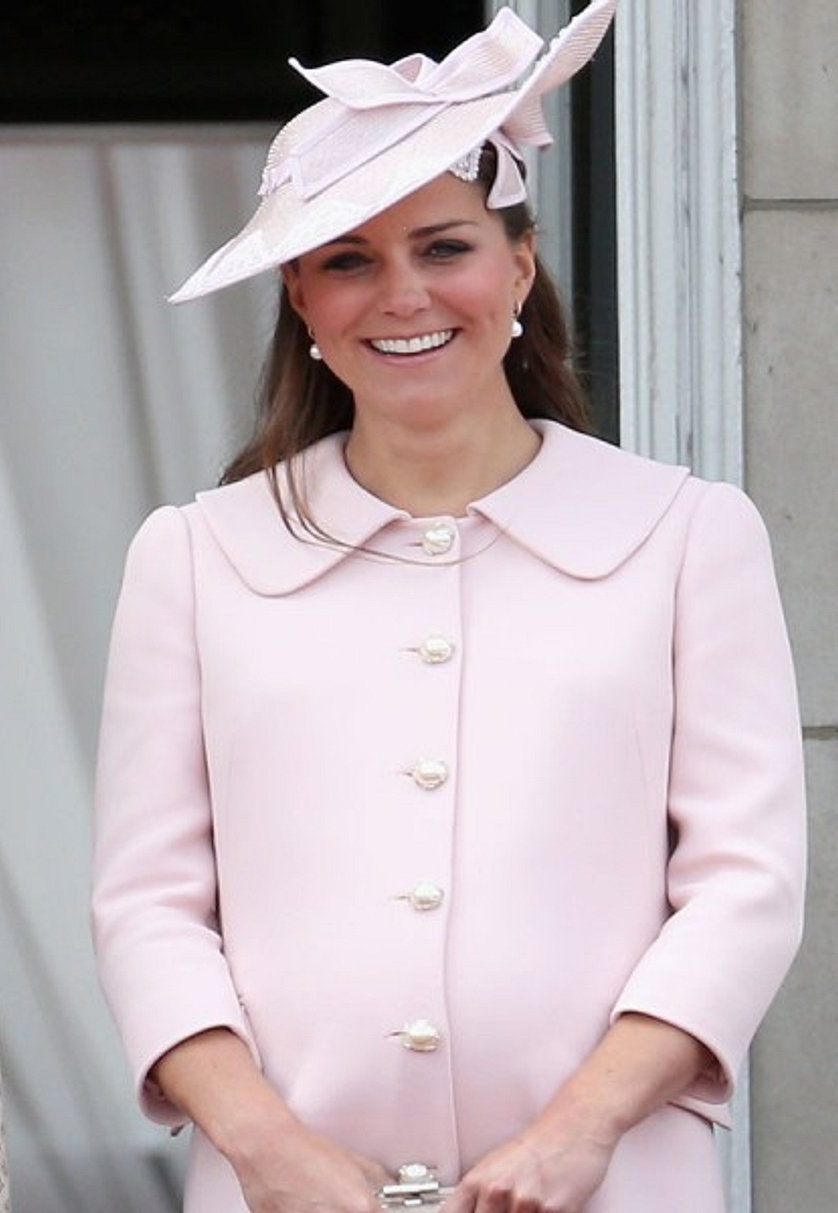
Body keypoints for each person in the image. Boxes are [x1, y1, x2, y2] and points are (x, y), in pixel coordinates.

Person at [91, 3, 807, 1211]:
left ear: (518, 265)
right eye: (347, 260)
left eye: (444, 247)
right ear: (303, 307)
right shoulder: (195, 557)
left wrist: (581, 1131)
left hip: (610, 1184)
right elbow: (148, 906)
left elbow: (744, 883)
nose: (402, 294)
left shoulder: (687, 536)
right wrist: (270, 1153)